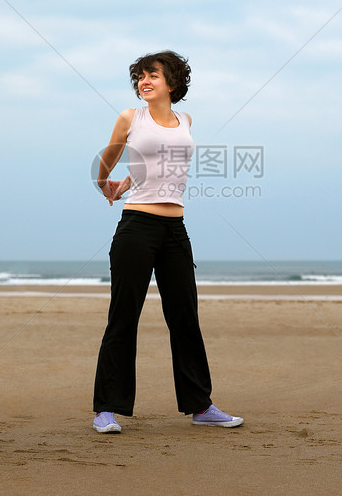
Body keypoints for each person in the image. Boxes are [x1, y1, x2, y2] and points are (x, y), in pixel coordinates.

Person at [92, 50, 243, 433]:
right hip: (137, 227)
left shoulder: (185, 121)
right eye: (140, 77)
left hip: (175, 231)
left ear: (172, 82)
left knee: (185, 318)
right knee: (124, 318)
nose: (144, 82)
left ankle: (200, 405)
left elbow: (166, 165)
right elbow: (109, 158)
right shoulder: (130, 118)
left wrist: (132, 179)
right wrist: (106, 182)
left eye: (152, 75)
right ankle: (107, 409)